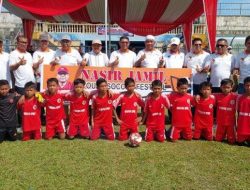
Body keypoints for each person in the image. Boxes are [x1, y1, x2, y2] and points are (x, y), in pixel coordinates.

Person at [214, 79, 237, 144]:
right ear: (220, 87)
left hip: (231, 123)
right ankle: (221, 135)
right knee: (218, 139)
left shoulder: (235, 96)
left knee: (232, 141)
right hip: (220, 122)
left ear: (231, 88)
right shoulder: (216, 96)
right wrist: (198, 95)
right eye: (224, 87)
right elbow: (206, 94)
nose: (226, 89)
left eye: (228, 87)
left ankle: (231, 136)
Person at [236, 76, 250, 145]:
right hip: (242, 128)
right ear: (244, 86)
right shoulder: (239, 97)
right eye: (247, 85)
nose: (249, 87)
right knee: (239, 142)